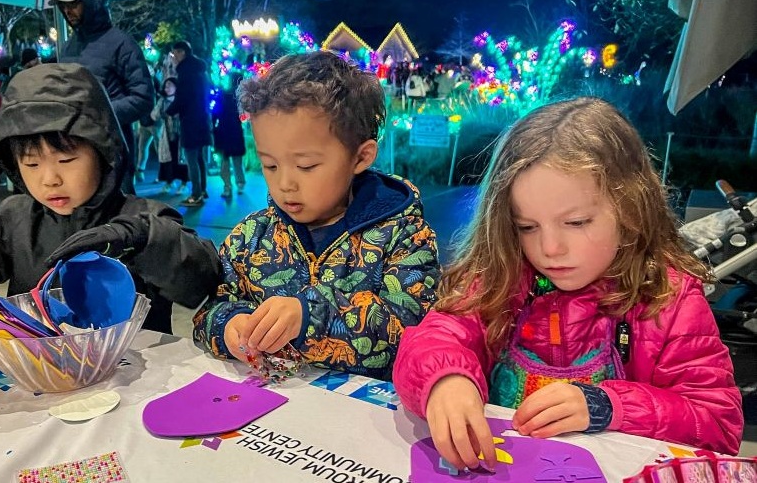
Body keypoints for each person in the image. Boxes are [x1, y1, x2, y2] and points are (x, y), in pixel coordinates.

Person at [392, 97, 743, 472]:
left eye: (575, 222)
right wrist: (445, 379)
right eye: (527, 227)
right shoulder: (501, 276)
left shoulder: (669, 299)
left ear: (631, 208)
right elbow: (435, 337)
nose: (550, 249)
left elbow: (718, 425)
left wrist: (609, 406)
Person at [0, 63, 222, 334]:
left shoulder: (145, 216)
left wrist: (146, 240)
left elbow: (203, 280)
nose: (49, 179)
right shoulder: (14, 217)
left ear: (103, 152)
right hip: (44, 371)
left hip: (133, 378)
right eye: (31, 163)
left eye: (67, 160)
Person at [193, 51, 441, 380]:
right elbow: (210, 310)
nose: (285, 184)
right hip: (270, 414)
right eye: (270, 165)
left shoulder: (405, 237)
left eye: (306, 166)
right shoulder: (250, 237)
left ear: (361, 156)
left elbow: (409, 334)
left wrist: (309, 317)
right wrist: (230, 328)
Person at [51, 0, 155, 195]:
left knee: (121, 215)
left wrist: (99, 113)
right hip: (75, 146)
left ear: (91, 4)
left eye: (73, 4)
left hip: (113, 148)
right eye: (63, 6)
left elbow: (143, 97)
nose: (67, 11)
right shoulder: (68, 46)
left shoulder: (121, 43)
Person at [166, 40, 213, 207]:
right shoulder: (199, 70)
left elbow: (183, 98)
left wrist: (169, 111)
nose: (173, 57)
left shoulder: (186, 72)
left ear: (182, 53)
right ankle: (202, 189)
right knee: (199, 157)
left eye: (175, 53)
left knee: (191, 157)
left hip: (190, 120)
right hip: (201, 118)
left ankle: (196, 194)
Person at [151, 77, 188, 195]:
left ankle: (183, 183)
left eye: (169, 86)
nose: (167, 88)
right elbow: (154, 115)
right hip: (166, 135)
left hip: (180, 134)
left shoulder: (181, 99)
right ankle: (169, 182)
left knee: (180, 159)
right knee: (168, 159)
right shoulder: (162, 101)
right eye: (166, 86)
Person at [213, 73, 246, 198]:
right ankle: (239, 183)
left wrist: (213, 126)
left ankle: (227, 186)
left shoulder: (222, 94)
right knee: (236, 161)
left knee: (225, 162)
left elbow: (215, 112)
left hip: (223, 131)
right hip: (234, 131)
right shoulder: (241, 97)